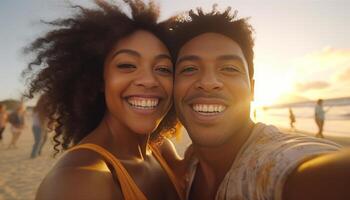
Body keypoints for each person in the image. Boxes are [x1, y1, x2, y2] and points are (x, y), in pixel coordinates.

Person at [170, 7, 350, 200]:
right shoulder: (190, 163)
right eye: (189, 68)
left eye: (229, 68)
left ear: (252, 90)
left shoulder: (271, 161)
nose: (208, 82)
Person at [23, 1, 183, 199]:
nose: (149, 80)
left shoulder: (161, 149)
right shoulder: (77, 181)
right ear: (99, 79)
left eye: (163, 69)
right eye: (126, 65)